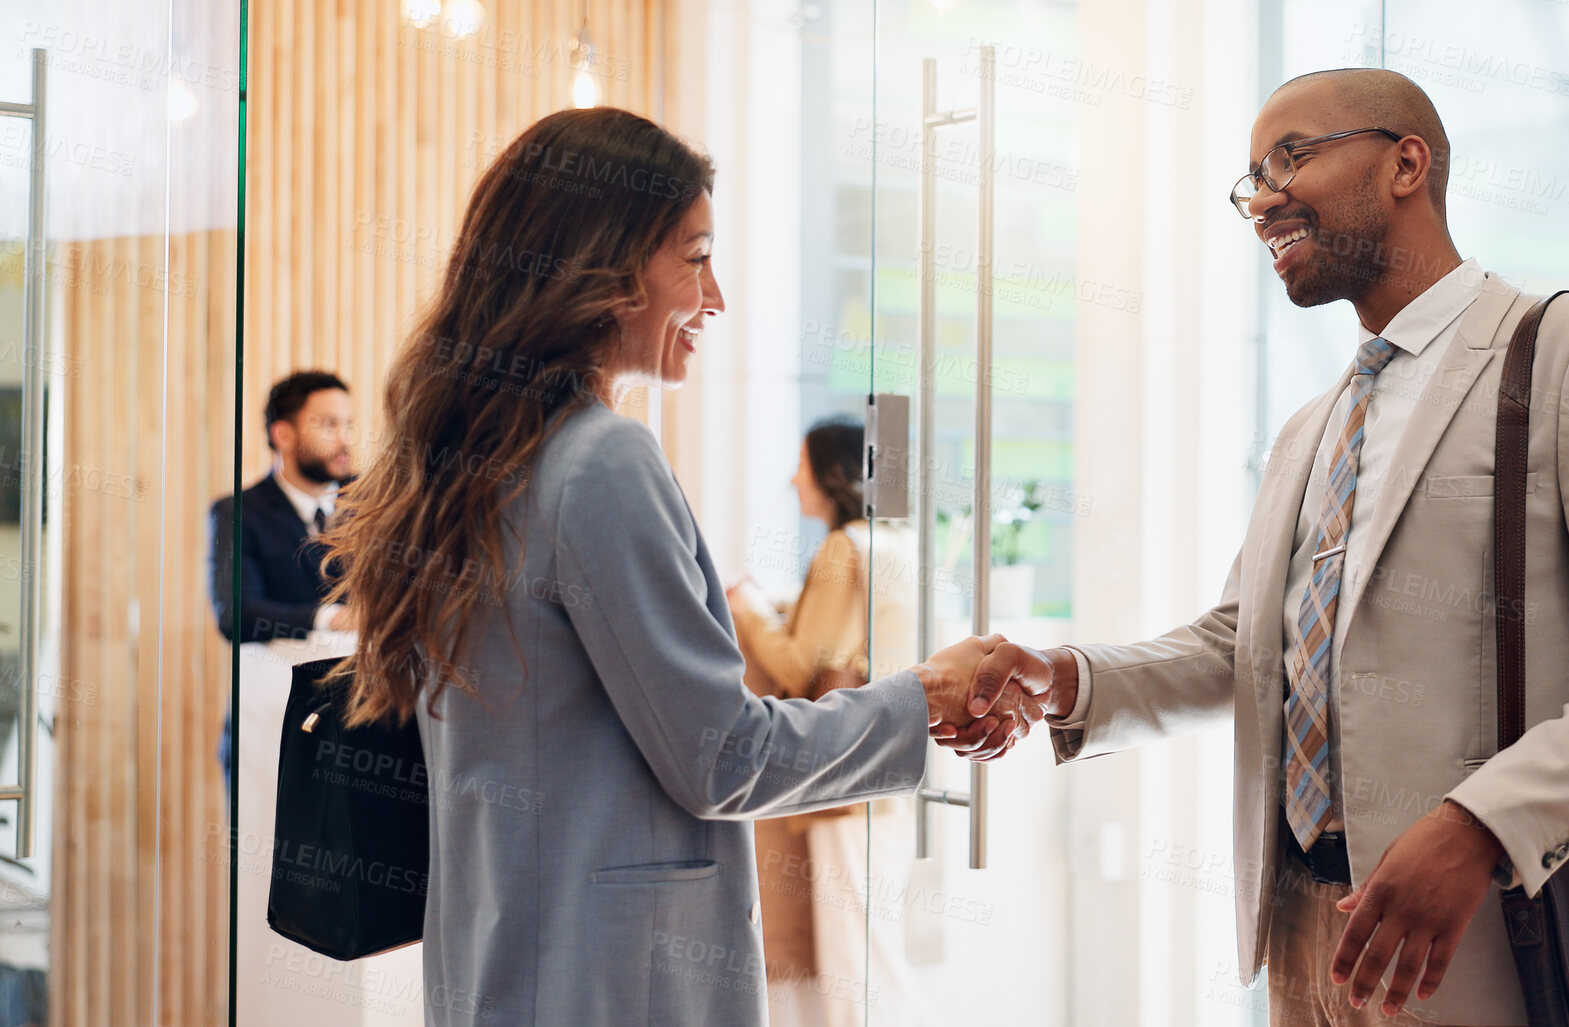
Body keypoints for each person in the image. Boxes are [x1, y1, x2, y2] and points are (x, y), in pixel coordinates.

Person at [944, 68, 1569, 1025]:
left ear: (1405, 163)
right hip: (1304, 939)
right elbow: (1240, 645)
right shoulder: (1312, 429)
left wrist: (1479, 824)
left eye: (1289, 157)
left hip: (1493, 942)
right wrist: (1065, 678)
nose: (1262, 200)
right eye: (1249, 179)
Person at [317, 107, 1040, 1026]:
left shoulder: (475, 460)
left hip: (503, 967)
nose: (716, 297)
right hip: (610, 984)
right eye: (695, 257)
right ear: (603, 266)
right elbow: (721, 754)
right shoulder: (599, 461)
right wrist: (922, 698)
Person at [727, 416, 936, 1027]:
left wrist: (747, 608)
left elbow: (801, 666)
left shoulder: (846, 547)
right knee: (869, 949)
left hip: (845, 777)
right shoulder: (893, 541)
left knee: (857, 964)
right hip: (888, 766)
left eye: (802, 463)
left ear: (831, 472)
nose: (794, 480)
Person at [208, 370, 359, 783]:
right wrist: (329, 618)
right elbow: (234, 614)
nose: (345, 438)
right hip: (268, 723)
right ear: (283, 434)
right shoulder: (238, 513)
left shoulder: (377, 505)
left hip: (360, 727)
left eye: (348, 424)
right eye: (329, 424)